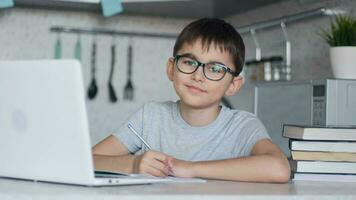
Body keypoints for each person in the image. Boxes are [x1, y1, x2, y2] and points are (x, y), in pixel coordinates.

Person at [92, 18, 290, 183]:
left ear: (233, 85)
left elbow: (280, 169)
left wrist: (190, 168)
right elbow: (86, 160)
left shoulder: (242, 126)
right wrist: (134, 164)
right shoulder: (150, 116)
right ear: (172, 68)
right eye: (189, 62)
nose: (198, 75)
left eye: (215, 69)